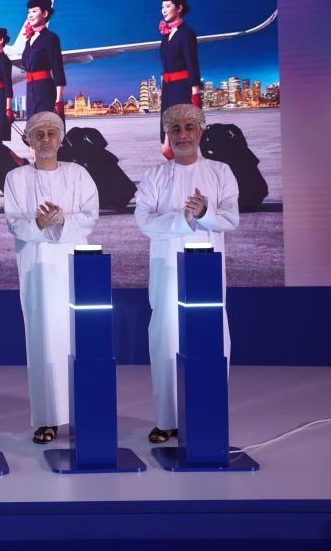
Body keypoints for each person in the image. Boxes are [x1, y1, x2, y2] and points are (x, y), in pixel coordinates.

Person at [135, 104, 238, 444]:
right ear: (168, 133)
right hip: (166, 270)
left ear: (200, 132)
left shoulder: (221, 172)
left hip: (206, 272)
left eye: (189, 128)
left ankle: (207, 414)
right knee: (165, 336)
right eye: (175, 128)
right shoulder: (154, 176)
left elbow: (230, 219)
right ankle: (166, 420)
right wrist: (184, 218)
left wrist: (204, 211)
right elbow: (145, 221)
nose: (182, 134)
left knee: (210, 337)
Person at [4, 112, 99, 444]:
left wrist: (61, 220)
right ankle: (46, 418)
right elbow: (15, 222)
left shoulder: (78, 173)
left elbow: (90, 216)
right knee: (42, 337)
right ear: (28, 139)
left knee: (78, 339)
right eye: (38, 134)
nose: (45, 140)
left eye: (51, 134)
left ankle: (83, 414)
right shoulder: (16, 178)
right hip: (36, 266)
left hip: (75, 265)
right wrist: (40, 225)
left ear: (61, 139)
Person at [158, 0, 202, 159]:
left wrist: (195, 94)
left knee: (179, 143)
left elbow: (192, 63)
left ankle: (188, 179)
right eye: (162, 6)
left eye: (168, 6)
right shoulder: (166, 34)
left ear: (179, 8)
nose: (163, 10)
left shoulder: (186, 33)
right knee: (166, 146)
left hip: (182, 90)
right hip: (168, 90)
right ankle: (182, 177)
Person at [22, 0, 66, 120]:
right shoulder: (28, 41)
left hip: (45, 90)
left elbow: (58, 69)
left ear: (45, 14)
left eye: (34, 11)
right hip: (30, 91)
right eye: (28, 12)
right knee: (33, 129)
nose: (30, 15)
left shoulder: (51, 38)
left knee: (46, 127)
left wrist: (58, 100)